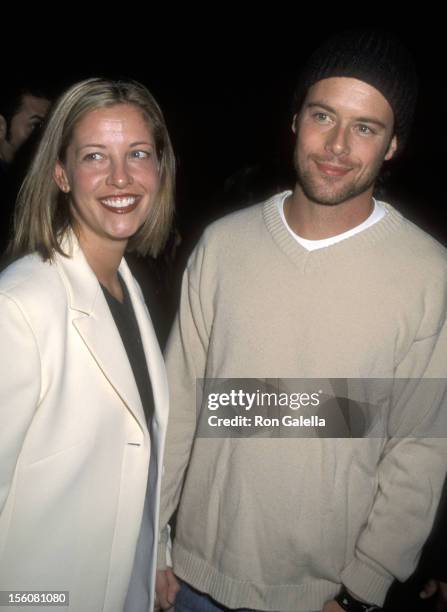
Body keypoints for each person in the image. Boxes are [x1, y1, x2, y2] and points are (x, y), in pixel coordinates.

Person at [155, 29, 447, 612]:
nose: (338, 145)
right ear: (295, 120)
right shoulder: (223, 245)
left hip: (322, 597)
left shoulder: (428, 274)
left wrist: (364, 588)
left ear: (392, 145)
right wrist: (155, 542)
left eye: (365, 127)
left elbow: (420, 445)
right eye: (323, 116)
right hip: (189, 581)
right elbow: (179, 404)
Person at [0, 77, 175, 612]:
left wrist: (157, 555)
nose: (120, 177)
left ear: (159, 168)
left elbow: (137, 451)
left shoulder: (132, 289)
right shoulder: (19, 309)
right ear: (60, 172)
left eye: (138, 154)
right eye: (95, 156)